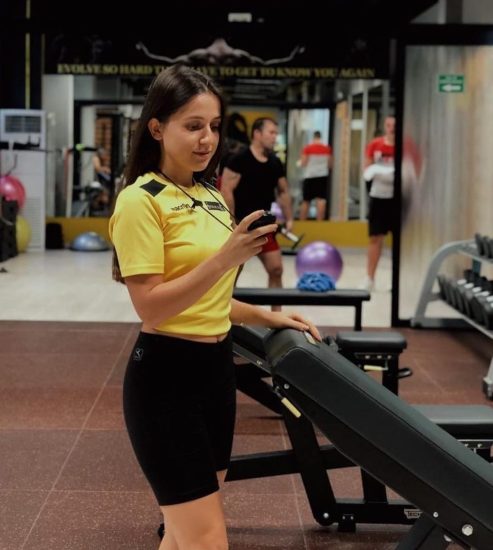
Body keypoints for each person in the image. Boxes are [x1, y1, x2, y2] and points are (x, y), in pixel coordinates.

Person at [108, 65, 321, 550]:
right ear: (157, 127)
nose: (207, 139)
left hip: (215, 373)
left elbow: (211, 297)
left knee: (183, 535)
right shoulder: (140, 200)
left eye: (214, 126)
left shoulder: (209, 194)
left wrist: (269, 316)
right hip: (166, 379)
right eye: (192, 125)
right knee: (206, 538)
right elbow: (151, 308)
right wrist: (226, 257)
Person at [220, 117, 294, 298]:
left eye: (276, 133)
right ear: (257, 134)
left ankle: (277, 313)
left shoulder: (275, 162)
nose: (275, 137)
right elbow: (226, 189)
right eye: (271, 132)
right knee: (231, 275)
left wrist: (289, 218)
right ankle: (226, 310)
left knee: (276, 269)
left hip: (264, 226)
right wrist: (232, 222)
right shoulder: (239, 159)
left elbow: (283, 191)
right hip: (241, 225)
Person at [360, 115, 396, 292]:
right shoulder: (375, 145)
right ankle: (370, 278)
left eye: (394, 125)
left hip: (398, 199)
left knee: (399, 241)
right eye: (388, 125)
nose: (391, 128)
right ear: (385, 126)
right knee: (375, 238)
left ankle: (396, 279)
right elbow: (366, 169)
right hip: (378, 197)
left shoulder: (406, 145)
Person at [298, 130, 332, 220]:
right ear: (320, 137)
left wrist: (299, 163)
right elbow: (330, 164)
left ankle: (302, 222)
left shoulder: (308, 148)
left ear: (313, 137)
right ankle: (319, 222)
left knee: (306, 200)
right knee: (321, 200)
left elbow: (303, 163)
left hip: (310, 176)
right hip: (322, 176)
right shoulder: (327, 148)